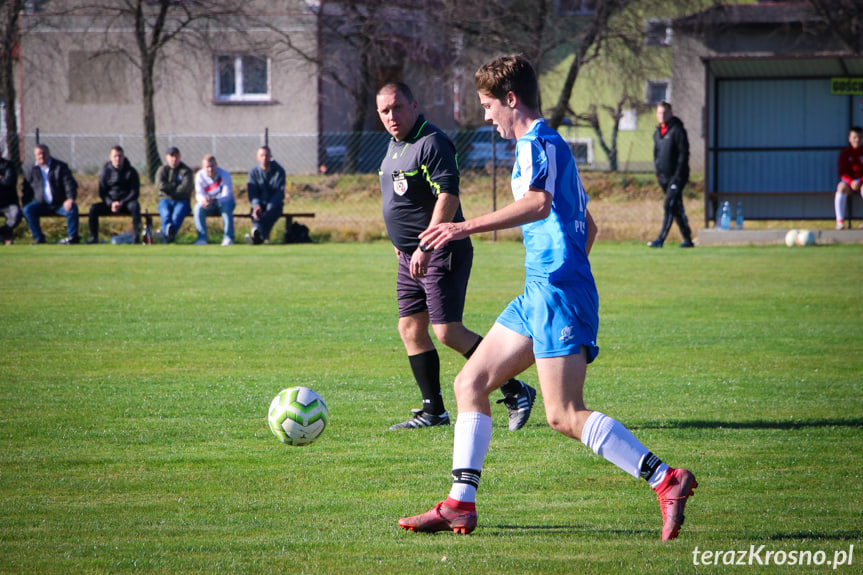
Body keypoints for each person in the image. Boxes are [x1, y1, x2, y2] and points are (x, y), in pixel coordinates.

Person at [398, 55, 697, 541]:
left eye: (488, 105)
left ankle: (666, 479)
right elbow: (588, 225)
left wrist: (461, 227)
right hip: (543, 290)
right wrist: (562, 272)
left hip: (557, 295)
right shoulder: (549, 145)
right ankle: (459, 504)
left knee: (563, 414)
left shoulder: (537, 142)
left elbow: (537, 204)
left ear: (510, 100)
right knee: (470, 382)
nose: (486, 115)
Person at [376, 81, 536, 431]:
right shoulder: (394, 146)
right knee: (410, 328)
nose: (392, 116)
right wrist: (400, 242)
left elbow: (447, 195)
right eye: (385, 111)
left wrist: (426, 245)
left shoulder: (431, 142)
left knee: (447, 331)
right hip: (409, 256)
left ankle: (514, 388)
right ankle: (433, 411)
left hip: (439, 251)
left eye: (397, 108)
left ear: (414, 105)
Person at [648, 101, 694, 248]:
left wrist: (677, 176)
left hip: (677, 177)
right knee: (675, 207)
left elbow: (683, 155)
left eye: (663, 113)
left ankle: (660, 239)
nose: (661, 116)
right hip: (663, 178)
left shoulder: (678, 130)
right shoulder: (657, 133)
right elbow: (656, 155)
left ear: (670, 113)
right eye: (658, 113)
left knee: (669, 205)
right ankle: (687, 239)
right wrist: (658, 174)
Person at [21, 144, 80, 244]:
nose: (41, 156)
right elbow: (26, 190)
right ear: (35, 155)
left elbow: (70, 184)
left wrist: (70, 199)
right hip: (40, 204)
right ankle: (39, 239)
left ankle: (73, 238)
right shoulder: (31, 170)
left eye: (43, 153)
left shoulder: (60, 167)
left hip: (59, 204)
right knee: (27, 210)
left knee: (72, 208)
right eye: (38, 154)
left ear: (49, 154)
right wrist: (26, 203)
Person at [87, 145, 141, 244]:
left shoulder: (131, 172)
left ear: (123, 157)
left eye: (120, 156)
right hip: (110, 204)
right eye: (115, 156)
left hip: (126, 203)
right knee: (93, 209)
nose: (118, 159)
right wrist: (111, 203)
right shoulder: (105, 172)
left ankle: (136, 238)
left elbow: (134, 192)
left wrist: (122, 202)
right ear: (110, 157)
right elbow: (102, 192)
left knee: (135, 206)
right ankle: (93, 238)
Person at [245, 145, 285, 244]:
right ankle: (259, 236)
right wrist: (257, 206)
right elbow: (252, 192)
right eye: (262, 155)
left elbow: (279, 193)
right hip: (260, 204)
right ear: (257, 157)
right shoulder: (253, 172)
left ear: (271, 156)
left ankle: (257, 232)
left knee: (269, 214)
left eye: (267, 155)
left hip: (274, 205)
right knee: (256, 212)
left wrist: (268, 208)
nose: (264, 158)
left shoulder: (279, 171)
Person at [194, 154, 235, 245]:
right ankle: (202, 239)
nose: (210, 169)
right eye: (207, 167)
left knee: (227, 206)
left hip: (223, 202)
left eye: (212, 166)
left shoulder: (225, 174)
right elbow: (199, 194)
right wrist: (203, 201)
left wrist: (214, 200)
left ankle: (228, 237)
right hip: (208, 204)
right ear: (203, 167)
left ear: (216, 165)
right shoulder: (199, 176)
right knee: (198, 208)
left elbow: (227, 195)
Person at [155, 146, 193, 243]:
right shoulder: (162, 170)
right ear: (167, 157)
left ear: (180, 157)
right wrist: (174, 186)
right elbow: (160, 185)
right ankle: (169, 238)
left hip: (182, 201)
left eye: (176, 156)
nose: (174, 159)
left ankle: (166, 237)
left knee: (176, 215)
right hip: (165, 200)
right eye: (171, 156)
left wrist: (170, 189)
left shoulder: (186, 171)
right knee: (166, 214)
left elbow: (185, 188)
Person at [834, 126, 863, 230]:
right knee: (840, 187)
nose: (857, 140)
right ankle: (840, 222)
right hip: (849, 183)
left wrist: (859, 181)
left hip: (861, 183)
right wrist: (851, 182)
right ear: (849, 138)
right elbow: (842, 173)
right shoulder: (845, 153)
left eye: (859, 137)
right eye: (854, 137)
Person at [0, 145, 21, 245]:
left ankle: (3, 233)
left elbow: (9, 181)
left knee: (16, 216)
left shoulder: (9, 165)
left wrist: (3, 180)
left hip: (8, 202)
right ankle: (6, 236)